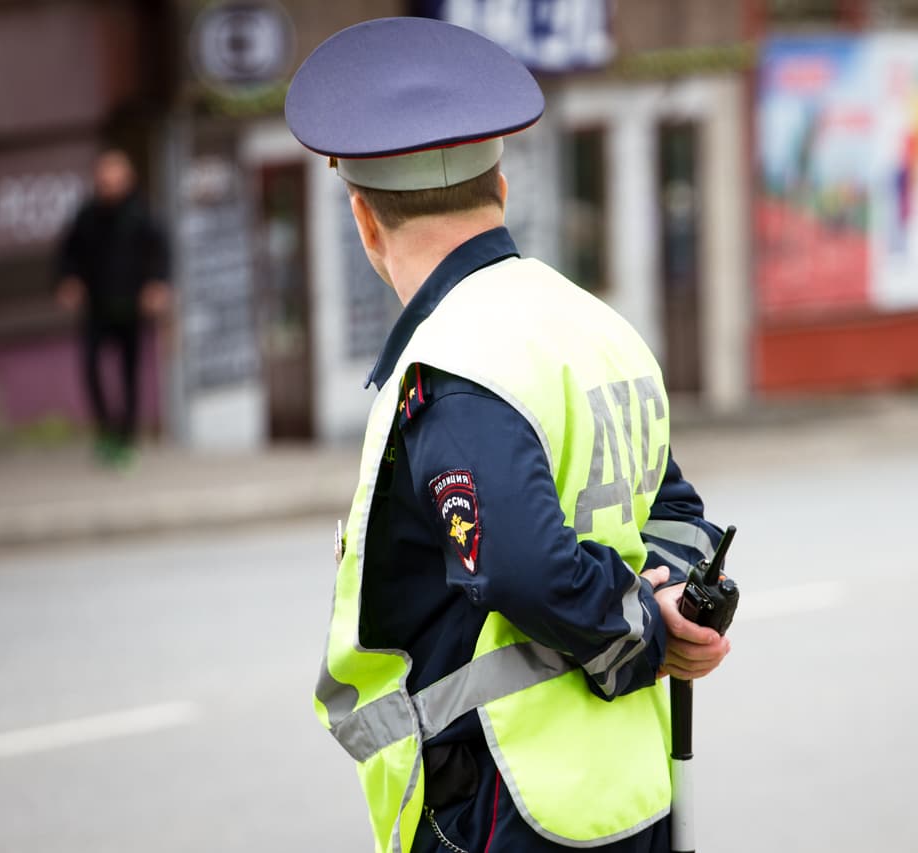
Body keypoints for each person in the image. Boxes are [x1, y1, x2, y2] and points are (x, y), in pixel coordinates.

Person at [285, 17, 732, 853]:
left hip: (503, 800)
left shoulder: (455, 362)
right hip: (628, 790)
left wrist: (652, 630)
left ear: (363, 221)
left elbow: (523, 565)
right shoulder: (592, 324)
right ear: (502, 189)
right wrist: (673, 600)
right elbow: (674, 508)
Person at [55, 149, 170, 464]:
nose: (108, 187)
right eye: (103, 181)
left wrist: (158, 283)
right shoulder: (87, 215)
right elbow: (68, 253)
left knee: (129, 373)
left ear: (127, 180)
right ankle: (106, 430)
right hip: (97, 306)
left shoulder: (141, 214)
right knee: (90, 367)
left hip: (130, 306)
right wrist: (69, 279)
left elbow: (160, 251)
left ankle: (126, 438)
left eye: (114, 180)